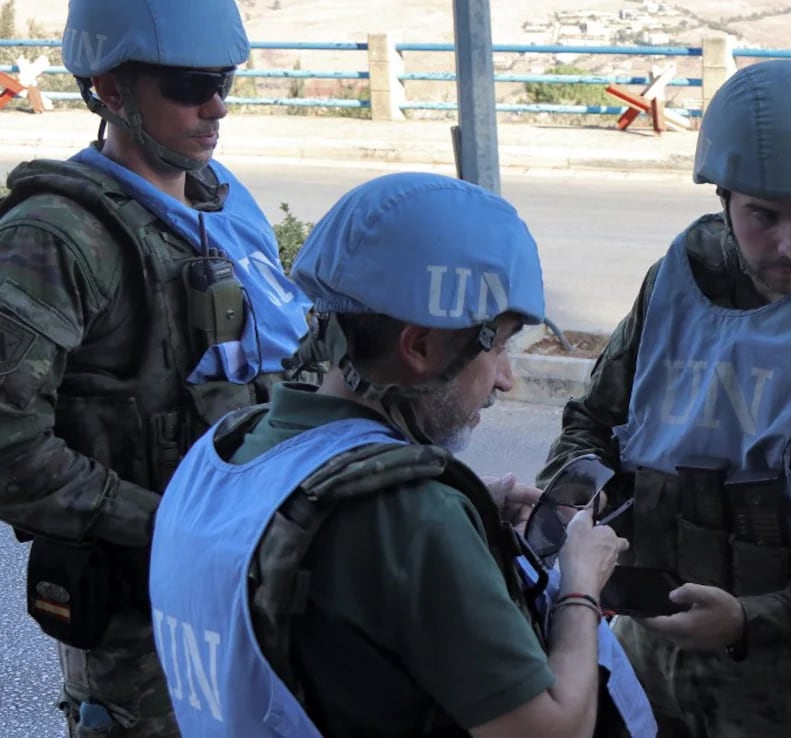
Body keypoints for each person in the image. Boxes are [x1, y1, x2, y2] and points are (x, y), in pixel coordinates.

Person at [147, 172, 657, 738]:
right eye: (503, 344)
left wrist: (463, 518)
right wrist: (581, 585)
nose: (507, 380)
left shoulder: (228, 451)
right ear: (419, 347)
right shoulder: (411, 515)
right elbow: (551, 731)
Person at [537, 59, 791, 738]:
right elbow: (592, 423)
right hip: (644, 655)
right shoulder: (676, 279)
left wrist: (751, 621)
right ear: (722, 198)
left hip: (790, 688)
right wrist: (578, 496)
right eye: (764, 215)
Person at [0, 0, 315, 735]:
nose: (217, 107)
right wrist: (172, 526)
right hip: (143, 628)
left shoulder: (220, 205)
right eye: (189, 85)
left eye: (226, 82)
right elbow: (7, 449)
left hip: (256, 591)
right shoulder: (53, 239)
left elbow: (286, 372)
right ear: (110, 90)